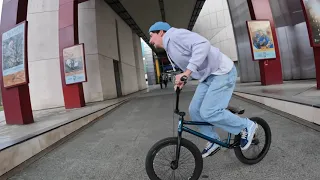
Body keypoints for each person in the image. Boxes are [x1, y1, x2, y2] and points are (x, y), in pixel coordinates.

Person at [148, 21, 258, 158]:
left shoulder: (175, 35)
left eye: (151, 35)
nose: (150, 41)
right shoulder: (169, 47)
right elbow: (192, 60)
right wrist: (184, 78)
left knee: (208, 112)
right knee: (194, 110)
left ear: (161, 32)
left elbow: (203, 44)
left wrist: (186, 73)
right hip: (208, 76)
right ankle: (213, 140)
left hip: (222, 71)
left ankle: (246, 125)